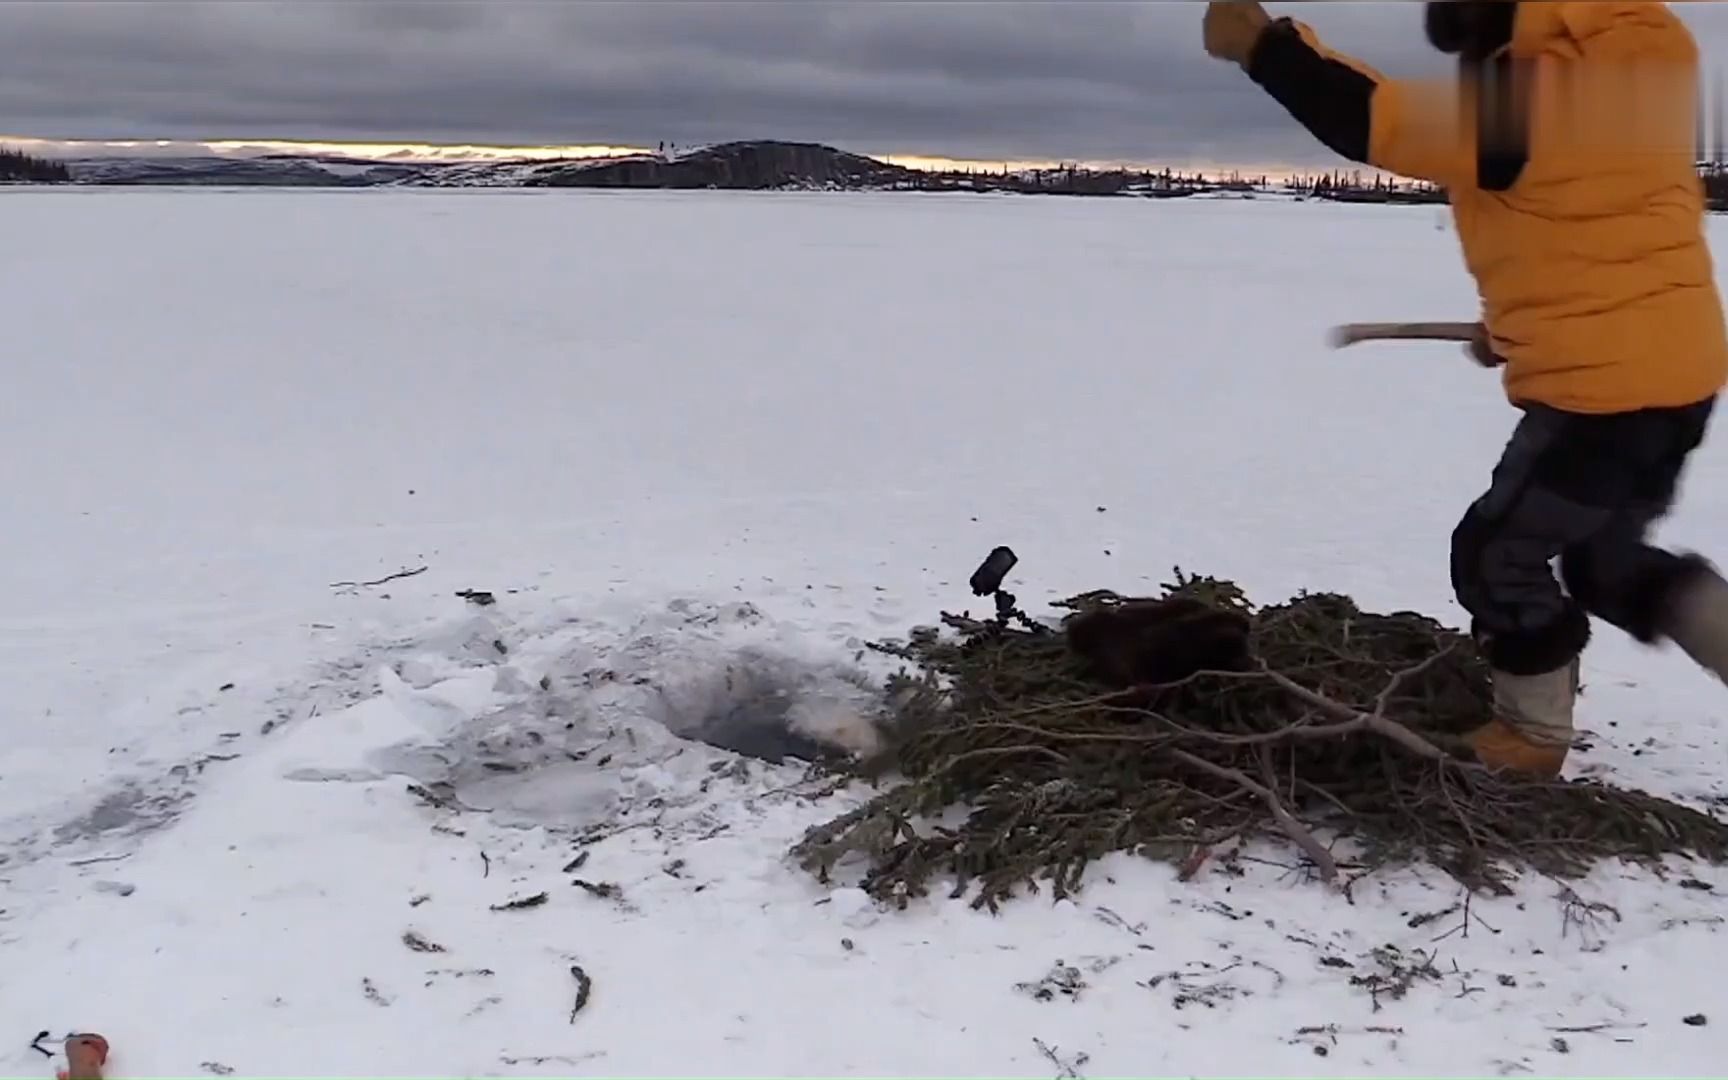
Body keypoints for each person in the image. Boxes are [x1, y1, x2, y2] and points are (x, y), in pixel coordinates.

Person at [1201, 1, 1728, 777]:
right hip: (1678, 377)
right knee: (1603, 562)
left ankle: (1531, 738)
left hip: (1600, 398)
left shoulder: (1538, 99)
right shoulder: (1637, 76)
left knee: (1494, 556)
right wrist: (1518, 327)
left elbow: (1375, 120)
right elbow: (1593, 229)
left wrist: (1265, 46)